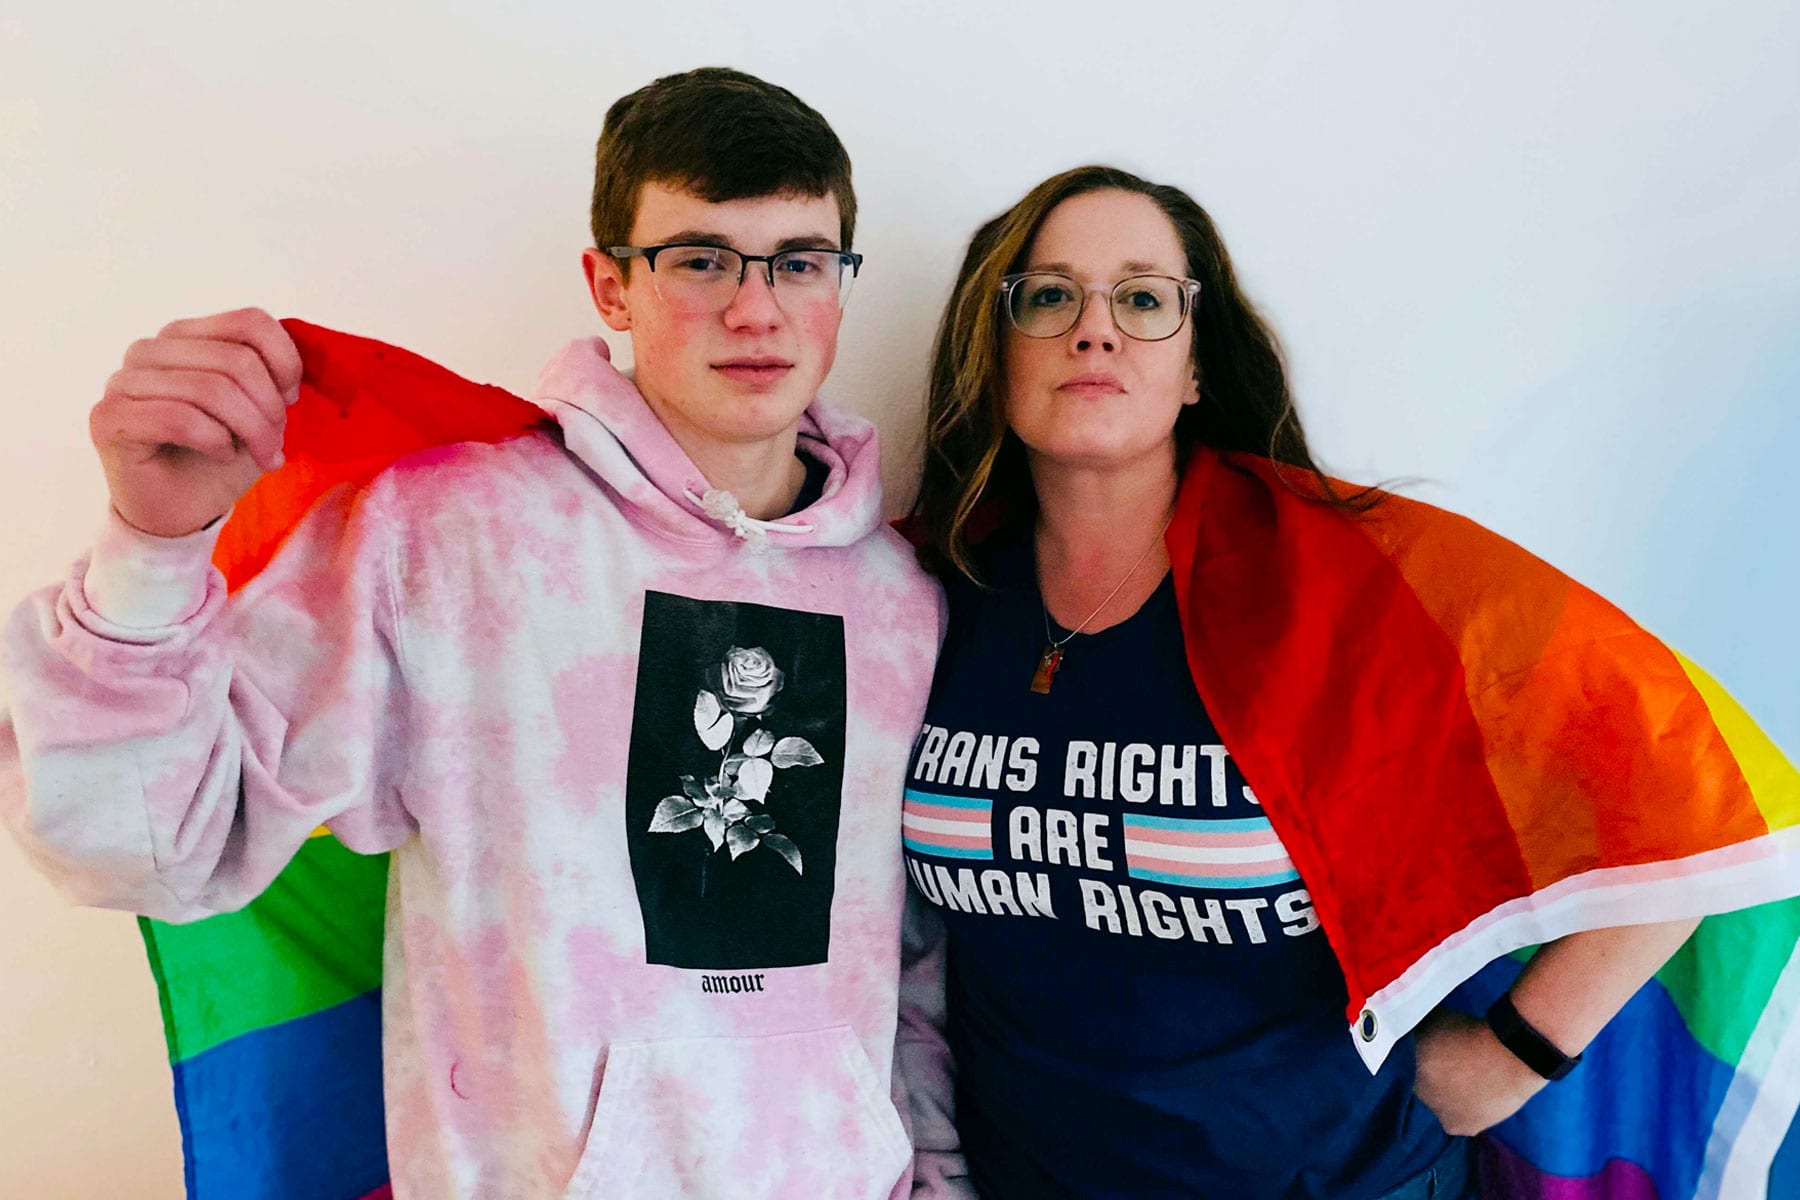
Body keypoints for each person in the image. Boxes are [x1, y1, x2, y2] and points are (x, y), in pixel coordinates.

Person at [1, 68, 942, 1198]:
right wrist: (150, 547)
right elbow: (148, 843)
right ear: (609, 285)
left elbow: (921, 968)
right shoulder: (448, 538)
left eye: (799, 261)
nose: (756, 309)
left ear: (841, 282)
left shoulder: (904, 596)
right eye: (698, 259)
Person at [896, 165, 1800, 1199]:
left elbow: (1693, 785)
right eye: (1049, 295)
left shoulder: (1352, 583)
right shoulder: (925, 594)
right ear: (995, 345)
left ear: (1197, 366)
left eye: (1144, 298)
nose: (1094, 328)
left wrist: (1517, 1056)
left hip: (1338, 1179)